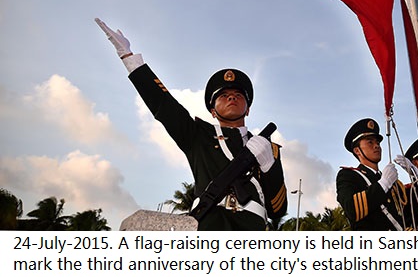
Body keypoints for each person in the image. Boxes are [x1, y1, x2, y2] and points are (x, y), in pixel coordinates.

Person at [95, 18, 287, 230]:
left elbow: (278, 209)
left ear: (248, 108)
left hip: (252, 228)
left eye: (237, 95)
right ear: (213, 111)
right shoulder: (198, 136)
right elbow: (164, 106)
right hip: (207, 224)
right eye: (223, 96)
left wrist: (269, 166)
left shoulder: (268, 149)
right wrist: (129, 58)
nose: (231, 98)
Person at [336, 118, 408, 230]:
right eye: (370, 142)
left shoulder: (390, 181)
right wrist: (384, 184)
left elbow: (408, 214)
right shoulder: (348, 176)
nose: (376, 146)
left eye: (377, 142)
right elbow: (352, 209)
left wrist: (417, 176)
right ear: (357, 151)